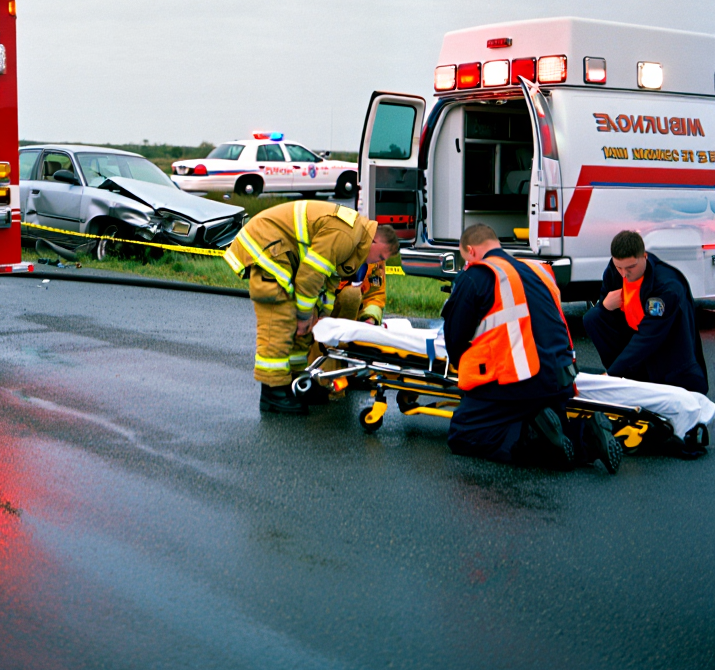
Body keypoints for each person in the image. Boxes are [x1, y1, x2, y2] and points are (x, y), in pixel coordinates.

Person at [442, 223, 621, 472]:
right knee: (543, 418)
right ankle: (587, 436)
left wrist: (467, 369)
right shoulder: (538, 271)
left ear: (471, 251)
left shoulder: (477, 275)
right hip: (561, 379)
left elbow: (455, 339)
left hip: (521, 381)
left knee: (464, 432)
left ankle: (534, 439)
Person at [223, 200, 399, 415]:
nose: (376, 262)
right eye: (379, 256)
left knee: (305, 329)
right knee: (280, 320)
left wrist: (320, 316)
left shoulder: (355, 244)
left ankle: (297, 382)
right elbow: (311, 275)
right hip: (267, 248)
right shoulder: (346, 235)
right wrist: (305, 314)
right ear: (374, 241)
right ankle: (273, 392)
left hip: (283, 254)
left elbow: (328, 283)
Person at [583, 230, 708, 394]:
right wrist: (604, 306)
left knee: (645, 352)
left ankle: (629, 377)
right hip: (636, 339)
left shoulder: (666, 287)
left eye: (631, 267)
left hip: (670, 355)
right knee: (593, 317)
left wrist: (611, 375)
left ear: (645, 256)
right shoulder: (614, 271)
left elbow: (649, 337)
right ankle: (627, 378)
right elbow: (605, 315)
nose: (624, 274)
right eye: (619, 267)